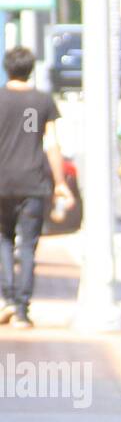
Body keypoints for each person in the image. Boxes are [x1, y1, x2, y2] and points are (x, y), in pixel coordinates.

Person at [0, 46, 74, 327]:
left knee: (4, 240)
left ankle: (7, 299)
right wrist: (59, 183)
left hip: (2, 183)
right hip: (33, 182)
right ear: (31, 69)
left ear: (7, 67)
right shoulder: (42, 101)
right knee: (28, 246)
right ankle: (21, 311)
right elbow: (52, 144)